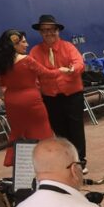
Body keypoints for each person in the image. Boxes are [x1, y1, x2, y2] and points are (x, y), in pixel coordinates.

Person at [0, 29, 53, 168]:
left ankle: (23, 167)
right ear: (14, 44)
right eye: (23, 42)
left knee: (19, 132)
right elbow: (47, 73)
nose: (27, 44)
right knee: (41, 130)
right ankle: (45, 163)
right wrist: (64, 71)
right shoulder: (27, 60)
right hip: (31, 100)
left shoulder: (1, 63)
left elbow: (0, 83)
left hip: (12, 101)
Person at [31, 16, 87, 164]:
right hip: (50, 97)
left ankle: (80, 160)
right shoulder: (35, 52)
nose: (48, 33)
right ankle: (67, 160)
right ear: (40, 33)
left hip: (72, 95)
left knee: (76, 128)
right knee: (59, 130)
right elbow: (33, 73)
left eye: (51, 29)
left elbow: (79, 63)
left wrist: (72, 69)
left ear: (57, 31)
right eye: (44, 30)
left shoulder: (68, 47)